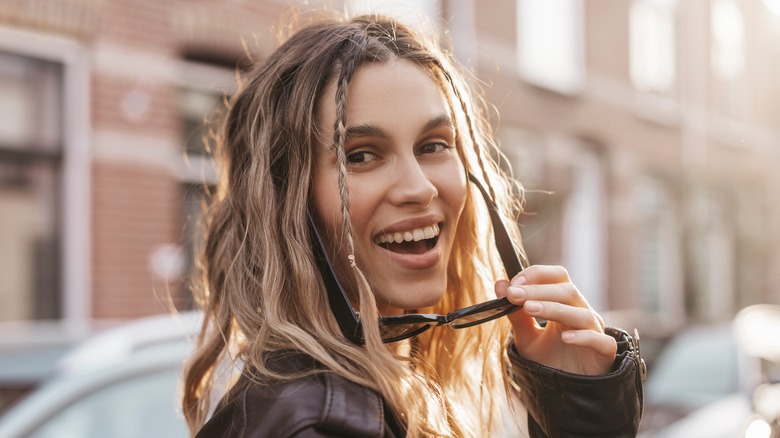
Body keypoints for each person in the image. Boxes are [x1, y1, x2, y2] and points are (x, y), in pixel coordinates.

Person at [182, 11, 644, 438]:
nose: (420, 188)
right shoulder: (319, 425)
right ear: (286, 201)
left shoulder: (369, 398)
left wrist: (576, 409)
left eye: (433, 145)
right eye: (360, 156)